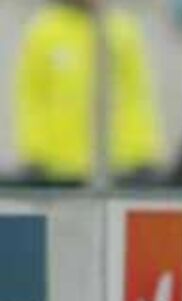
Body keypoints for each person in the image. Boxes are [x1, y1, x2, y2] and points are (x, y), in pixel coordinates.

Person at [13, 0, 164, 186]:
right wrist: (35, 153)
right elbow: (32, 97)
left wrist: (143, 151)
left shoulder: (122, 30)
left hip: (119, 163)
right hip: (60, 166)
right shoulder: (44, 31)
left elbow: (136, 96)